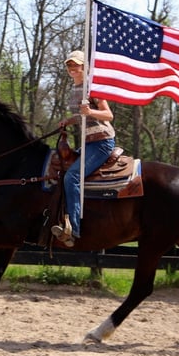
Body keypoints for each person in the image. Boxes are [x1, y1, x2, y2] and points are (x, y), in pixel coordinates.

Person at [52, 50, 116, 247]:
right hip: (87, 143)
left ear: (84, 67)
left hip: (102, 141)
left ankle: (74, 228)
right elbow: (81, 116)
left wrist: (91, 111)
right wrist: (69, 120)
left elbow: (108, 115)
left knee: (72, 177)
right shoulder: (74, 89)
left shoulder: (92, 88)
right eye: (69, 65)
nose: (72, 68)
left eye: (76, 65)